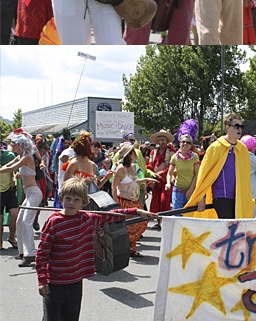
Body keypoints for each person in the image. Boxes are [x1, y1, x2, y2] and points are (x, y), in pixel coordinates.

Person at [35, 177, 152, 319]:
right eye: (68, 198)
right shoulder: (53, 222)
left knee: (71, 317)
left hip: (75, 282)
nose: (71, 203)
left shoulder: (88, 218)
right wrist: (42, 280)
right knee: (51, 318)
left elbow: (113, 216)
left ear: (84, 202)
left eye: (76, 200)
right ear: (61, 198)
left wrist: (137, 211)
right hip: (54, 282)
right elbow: (42, 254)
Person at [186, 113, 253, 219]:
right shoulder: (215, 147)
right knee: (228, 227)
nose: (239, 129)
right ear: (227, 127)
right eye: (236, 126)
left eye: (241, 126)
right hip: (221, 196)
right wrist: (201, 197)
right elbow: (204, 173)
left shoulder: (243, 149)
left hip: (239, 197)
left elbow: (246, 177)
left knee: (236, 230)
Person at [0, 134, 43, 266]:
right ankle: (22, 252)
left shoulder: (26, 157)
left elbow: (10, 169)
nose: (11, 145)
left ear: (19, 145)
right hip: (29, 193)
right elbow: (7, 165)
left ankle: (31, 254)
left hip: (34, 193)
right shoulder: (21, 156)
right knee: (19, 221)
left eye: (13, 143)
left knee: (26, 222)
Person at [111, 143, 149, 256]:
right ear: (129, 154)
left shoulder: (133, 166)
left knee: (142, 222)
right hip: (124, 201)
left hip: (135, 201)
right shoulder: (120, 168)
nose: (136, 154)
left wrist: (146, 180)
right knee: (129, 226)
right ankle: (129, 249)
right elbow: (114, 186)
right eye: (133, 152)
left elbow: (134, 181)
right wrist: (115, 202)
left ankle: (130, 247)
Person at [147, 130, 175, 225]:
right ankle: (158, 222)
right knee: (155, 201)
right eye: (160, 140)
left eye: (163, 139)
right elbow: (150, 164)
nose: (161, 142)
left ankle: (167, 223)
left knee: (164, 201)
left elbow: (172, 166)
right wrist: (150, 173)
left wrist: (162, 173)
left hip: (165, 180)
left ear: (167, 141)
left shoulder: (171, 152)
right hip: (155, 180)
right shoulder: (153, 152)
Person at [166, 134, 200, 210]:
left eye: (188, 142)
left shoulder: (195, 157)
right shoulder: (175, 157)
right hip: (178, 191)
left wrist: (191, 190)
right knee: (177, 217)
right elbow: (169, 173)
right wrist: (168, 183)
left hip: (190, 191)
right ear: (179, 143)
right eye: (183, 142)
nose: (185, 144)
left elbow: (197, 174)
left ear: (191, 145)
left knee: (188, 218)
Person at [240, 135, 256, 217]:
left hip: (240, 184)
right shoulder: (255, 159)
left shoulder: (236, 157)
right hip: (253, 185)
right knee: (252, 213)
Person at [0, 142, 19, 250]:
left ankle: (12, 238)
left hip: (10, 189)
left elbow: (15, 168)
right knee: (0, 219)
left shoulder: (8, 156)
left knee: (14, 214)